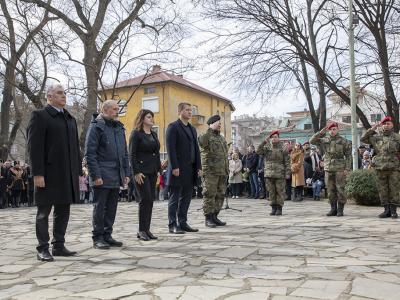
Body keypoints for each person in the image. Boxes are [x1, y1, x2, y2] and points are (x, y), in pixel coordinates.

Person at [27, 84, 81, 262]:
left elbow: (75, 148)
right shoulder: (40, 116)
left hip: (67, 174)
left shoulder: (70, 118)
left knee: (63, 209)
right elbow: (34, 148)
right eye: (59, 93)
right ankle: (42, 247)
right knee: (44, 212)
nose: (63, 96)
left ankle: (58, 245)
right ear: (49, 97)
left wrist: (78, 171)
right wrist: (37, 174)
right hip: (48, 173)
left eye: (64, 93)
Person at [85, 100, 131, 249]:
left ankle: (107, 234)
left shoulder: (119, 128)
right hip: (102, 174)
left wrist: (126, 172)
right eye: (114, 109)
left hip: (116, 174)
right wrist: (95, 175)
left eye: (118, 109)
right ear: (104, 110)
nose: (117, 111)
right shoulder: (96, 127)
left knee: (112, 207)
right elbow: (90, 154)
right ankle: (98, 237)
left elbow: (124, 153)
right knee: (100, 208)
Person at [166, 103, 201, 234]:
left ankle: (183, 222)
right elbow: (171, 148)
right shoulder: (173, 127)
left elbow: (196, 149)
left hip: (190, 168)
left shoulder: (192, 129)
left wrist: (199, 166)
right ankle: (172, 224)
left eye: (191, 110)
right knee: (175, 197)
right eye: (187, 110)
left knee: (186, 197)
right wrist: (174, 166)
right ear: (180, 111)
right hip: (178, 168)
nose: (190, 112)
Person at [129, 109, 161, 241]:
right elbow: (132, 154)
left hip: (153, 171)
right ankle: (141, 230)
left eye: (152, 117)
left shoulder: (153, 134)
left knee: (150, 200)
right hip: (141, 172)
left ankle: (147, 229)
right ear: (142, 118)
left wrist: (159, 170)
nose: (151, 119)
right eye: (148, 116)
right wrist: (136, 172)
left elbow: (156, 153)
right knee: (144, 199)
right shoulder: (136, 134)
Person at [361, 116, 400, 218]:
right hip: (380, 167)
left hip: (394, 167)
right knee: (382, 189)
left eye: (388, 123)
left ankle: (393, 211)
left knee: (394, 189)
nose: (386, 125)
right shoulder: (376, 137)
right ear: (382, 125)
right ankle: (386, 210)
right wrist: (372, 129)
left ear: (392, 125)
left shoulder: (397, 137)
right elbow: (363, 139)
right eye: (384, 123)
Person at [310, 122, 352, 217]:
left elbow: (348, 156)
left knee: (340, 189)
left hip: (340, 168)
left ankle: (340, 209)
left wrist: (347, 168)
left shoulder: (344, 141)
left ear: (338, 130)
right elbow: (311, 141)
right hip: (328, 168)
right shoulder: (325, 140)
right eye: (330, 129)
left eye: (334, 129)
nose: (332, 131)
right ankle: (333, 209)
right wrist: (320, 133)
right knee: (330, 189)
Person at [198, 115, 229, 227]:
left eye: (220, 123)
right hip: (210, 171)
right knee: (209, 194)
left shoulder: (221, 138)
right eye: (217, 122)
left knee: (220, 195)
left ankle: (215, 216)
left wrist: (227, 170)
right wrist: (210, 129)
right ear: (211, 124)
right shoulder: (206, 136)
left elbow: (225, 155)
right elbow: (201, 142)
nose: (219, 124)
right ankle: (208, 218)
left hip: (222, 171)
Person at [257, 130, 290, 216]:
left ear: (279, 138)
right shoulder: (267, 147)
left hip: (280, 173)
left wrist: (287, 173)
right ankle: (273, 207)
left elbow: (287, 161)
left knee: (279, 191)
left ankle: (279, 208)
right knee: (271, 191)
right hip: (269, 173)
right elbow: (258, 151)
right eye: (272, 137)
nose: (274, 139)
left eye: (276, 137)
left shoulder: (283, 147)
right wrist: (264, 141)